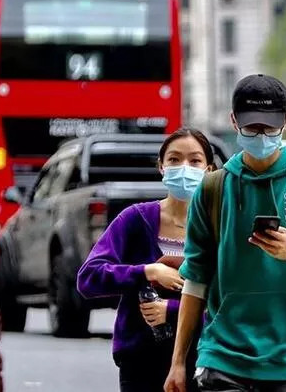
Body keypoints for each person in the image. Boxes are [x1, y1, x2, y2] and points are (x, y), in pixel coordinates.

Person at [165, 74, 286, 392]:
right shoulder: (213, 188)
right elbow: (195, 282)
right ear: (234, 121)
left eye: (270, 127)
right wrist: (178, 363)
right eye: (253, 127)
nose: (262, 135)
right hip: (222, 356)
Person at [77, 128, 214, 392]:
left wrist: (171, 311)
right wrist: (146, 272)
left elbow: (233, 302)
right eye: (174, 160)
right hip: (140, 361)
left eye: (194, 160)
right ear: (161, 167)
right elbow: (88, 278)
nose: (184, 168)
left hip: (206, 360)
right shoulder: (135, 219)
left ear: (208, 169)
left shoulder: (220, 226)